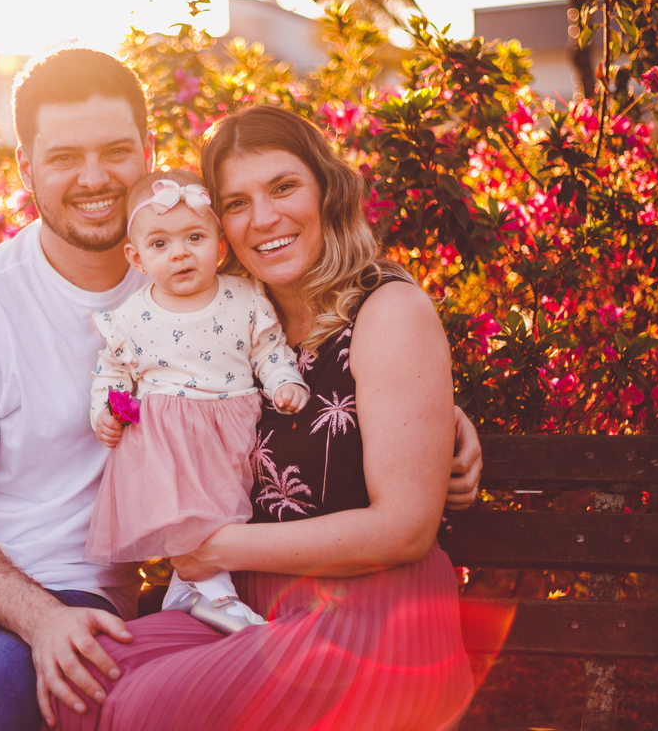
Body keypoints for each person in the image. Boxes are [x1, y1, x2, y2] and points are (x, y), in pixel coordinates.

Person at [0, 49, 483, 731]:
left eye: (116, 151)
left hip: (83, 587)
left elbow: (335, 347)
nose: (94, 177)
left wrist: (437, 415)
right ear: (25, 167)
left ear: (149, 156)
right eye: (65, 157)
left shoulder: (208, 282)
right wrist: (36, 619)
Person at [55, 104, 475, 731]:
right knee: (80, 681)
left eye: (283, 187)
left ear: (326, 190)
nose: (265, 218)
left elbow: (405, 530)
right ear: (217, 223)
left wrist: (214, 546)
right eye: (237, 202)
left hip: (370, 617)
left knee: (144, 709)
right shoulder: (229, 318)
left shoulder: (387, 310)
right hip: (248, 606)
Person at [87, 169, 308, 633]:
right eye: (160, 244)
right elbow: (113, 373)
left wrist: (284, 380)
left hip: (230, 423)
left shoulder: (244, 297)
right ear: (137, 257)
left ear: (220, 245)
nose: (181, 253)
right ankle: (219, 596)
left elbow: (268, 348)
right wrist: (106, 411)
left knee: (223, 507)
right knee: (189, 508)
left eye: (194, 237)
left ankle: (187, 591)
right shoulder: (131, 315)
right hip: (163, 432)